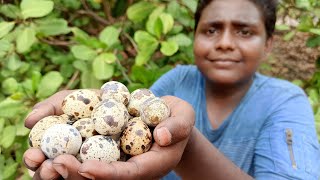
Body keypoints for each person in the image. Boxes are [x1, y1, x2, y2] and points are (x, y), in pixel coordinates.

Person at [23, 0, 320, 179]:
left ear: (268, 43)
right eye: (211, 29)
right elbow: (129, 133)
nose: (225, 42)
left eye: (244, 31)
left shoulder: (285, 102)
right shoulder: (178, 81)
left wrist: (186, 146)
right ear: (194, 37)